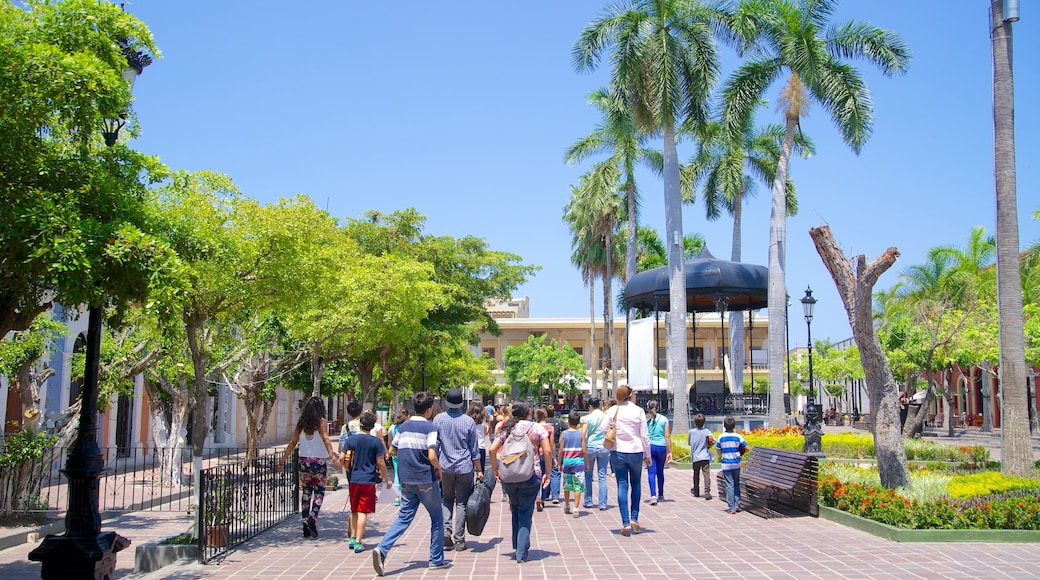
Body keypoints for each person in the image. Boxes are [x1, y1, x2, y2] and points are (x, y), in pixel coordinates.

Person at [372, 392, 451, 576]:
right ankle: (436, 559)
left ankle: (382, 549)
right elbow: (432, 455)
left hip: (406, 479)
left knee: (404, 517)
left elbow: (392, 450)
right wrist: (438, 469)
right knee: (437, 518)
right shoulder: (430, 428)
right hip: (425, 478)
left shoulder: (404, 426)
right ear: (429, 409)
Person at [489, 402, 553, 564]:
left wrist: (496, 469)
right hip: (531, 474)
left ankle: (518, 544)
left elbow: (492, 449)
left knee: (515, 509)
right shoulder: (537, 428)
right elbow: (547, 450)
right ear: (529, 412)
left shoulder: (508, 427)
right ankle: (521, 552)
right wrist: (547, 473)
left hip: (509, 476)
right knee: (525, 512)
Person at [277, 396, 341, 538]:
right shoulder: (321, 421)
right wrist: (334, 458)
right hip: (318, 462)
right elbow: (325, 439)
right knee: (319, 492)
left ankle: (305, 524)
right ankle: (313, 517)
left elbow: (293, 442)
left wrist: (282, 460)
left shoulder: (302, 423)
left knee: (306, 493)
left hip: (304, 461)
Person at [433, 388, 483, 552]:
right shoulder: (468, 421)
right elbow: (474, 449)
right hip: (464, 467)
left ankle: (446, 530)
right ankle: (460, 540)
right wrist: (479, 470)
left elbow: (435, 444)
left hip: (445, 466)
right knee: (461, 502)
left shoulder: (438, 420)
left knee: (447, 499)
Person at [604, 386, 651, 536]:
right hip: (636, 451)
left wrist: (614, 430)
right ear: (630, 395)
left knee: (622, 485)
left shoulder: (613, 410)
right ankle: (634, 518)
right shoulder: (638, 411)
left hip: (618, 451)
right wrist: (647, 454)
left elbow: (602, 429)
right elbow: (644, 435)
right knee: (636, 484)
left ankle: (625, 523)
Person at [344, 411, 392, 553]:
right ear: (372, 426)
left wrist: (348, 468)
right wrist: (387, 478)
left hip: (354, 479)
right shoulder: (376, 442)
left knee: (354, 509)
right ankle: (359, 542)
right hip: (368, 480)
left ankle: (352, 538)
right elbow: (380, 462)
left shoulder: (351, 440)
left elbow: (342, 457)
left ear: (360, 424)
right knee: (363, 511)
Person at [580, 397, 609, 511]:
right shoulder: (605, 417)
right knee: (602, 476)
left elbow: (583, 434)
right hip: (603, 447)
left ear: (590, 406)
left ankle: (588, 501)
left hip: (590, 447)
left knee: (588, 475)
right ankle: (602, 503)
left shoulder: (587, 418)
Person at [717, 416, 748, 515]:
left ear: (724, 426)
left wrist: (723, 452)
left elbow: (718, 451)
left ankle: (731, 507)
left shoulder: (721, 437)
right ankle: (737, 504)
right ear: (734, 426)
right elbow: (747, 447)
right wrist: (740, 452)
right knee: (736, 484)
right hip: (736, 463)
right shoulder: (738, 437)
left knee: (729, 485)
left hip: (726, 464)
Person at [557, 412, 586, 518]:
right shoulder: (581, 434)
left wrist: (559, 462)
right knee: (578, 486)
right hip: (578, 463)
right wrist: (586, 463)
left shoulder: (564, 434)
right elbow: (584, 450)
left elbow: (560, 450)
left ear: (568, 422)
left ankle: (567, 505)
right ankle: (576, 508)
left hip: (567, 462)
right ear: (578, 423)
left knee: (567, 485)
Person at [644, 400, 672, 505]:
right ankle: (661, 494)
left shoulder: (647, 420)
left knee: (651, 472)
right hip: (661, 447)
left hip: (650, 447)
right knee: (660, 472)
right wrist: (670, 451)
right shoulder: (664, 419)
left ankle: (653, 496)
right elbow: (667, 436)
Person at [386, 408, 410, 506]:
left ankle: (396, 498)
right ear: (407, 416)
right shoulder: (407, 426)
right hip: (405, 454)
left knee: (396, 474)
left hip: (395, 454)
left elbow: (389, 443)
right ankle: (404, 496)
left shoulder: (392, 427)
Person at [687, 413, 714, 500]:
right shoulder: (706, 431)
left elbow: (689, 443)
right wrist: (708, 446)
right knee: (706, 474)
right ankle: (707, 491)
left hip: (695, 457)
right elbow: (713, 440)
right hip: (705, 456)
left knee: (696, 474)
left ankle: (696, 490)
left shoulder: (691, 432)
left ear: (695, 422)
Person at [543, 406, 566, 504]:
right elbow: (568, 431)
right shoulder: (560, 423)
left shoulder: (541, 424)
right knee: (555, 472)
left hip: (543, 449)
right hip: (556, 448)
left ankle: (545, 494)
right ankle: (555, 496)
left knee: (544, 471)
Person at [534, 408, 553, 511]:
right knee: (546, 476)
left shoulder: (534, 427)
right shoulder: (550, 428)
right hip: (546, 453)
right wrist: (553, 456)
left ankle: (537, 496)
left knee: (537, 476)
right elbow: (551, 444)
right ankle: (543, 499)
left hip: (537, 454)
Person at [466, 402, 490, 473]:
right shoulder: (483, 420)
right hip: (481, 446)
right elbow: (485, 432)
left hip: (469, 448)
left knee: (469, 470)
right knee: (481, 470)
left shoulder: (467, 420)